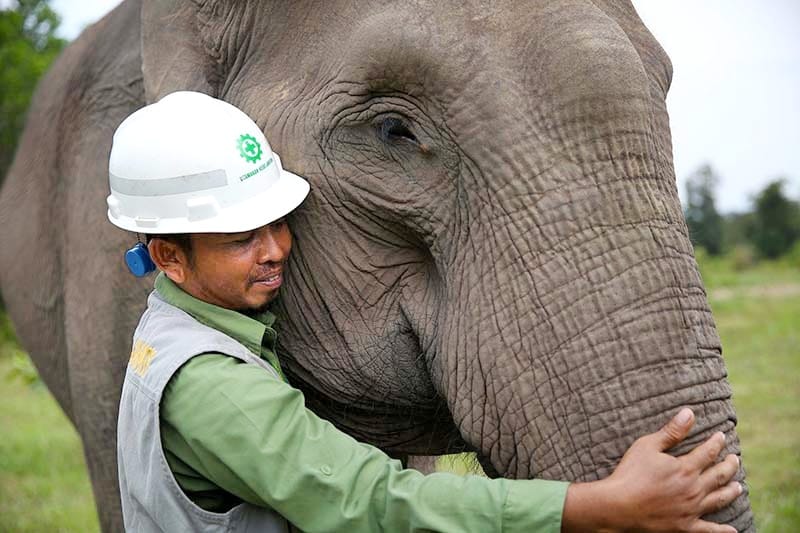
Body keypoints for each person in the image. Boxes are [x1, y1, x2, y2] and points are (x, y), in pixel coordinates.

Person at [108, 91, 741, 532]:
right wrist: (599, 505)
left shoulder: (167, 329)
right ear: (169, 255)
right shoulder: (213, 385)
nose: (276, 250)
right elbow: (368, 504)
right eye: (242, 238)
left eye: (278, 223)